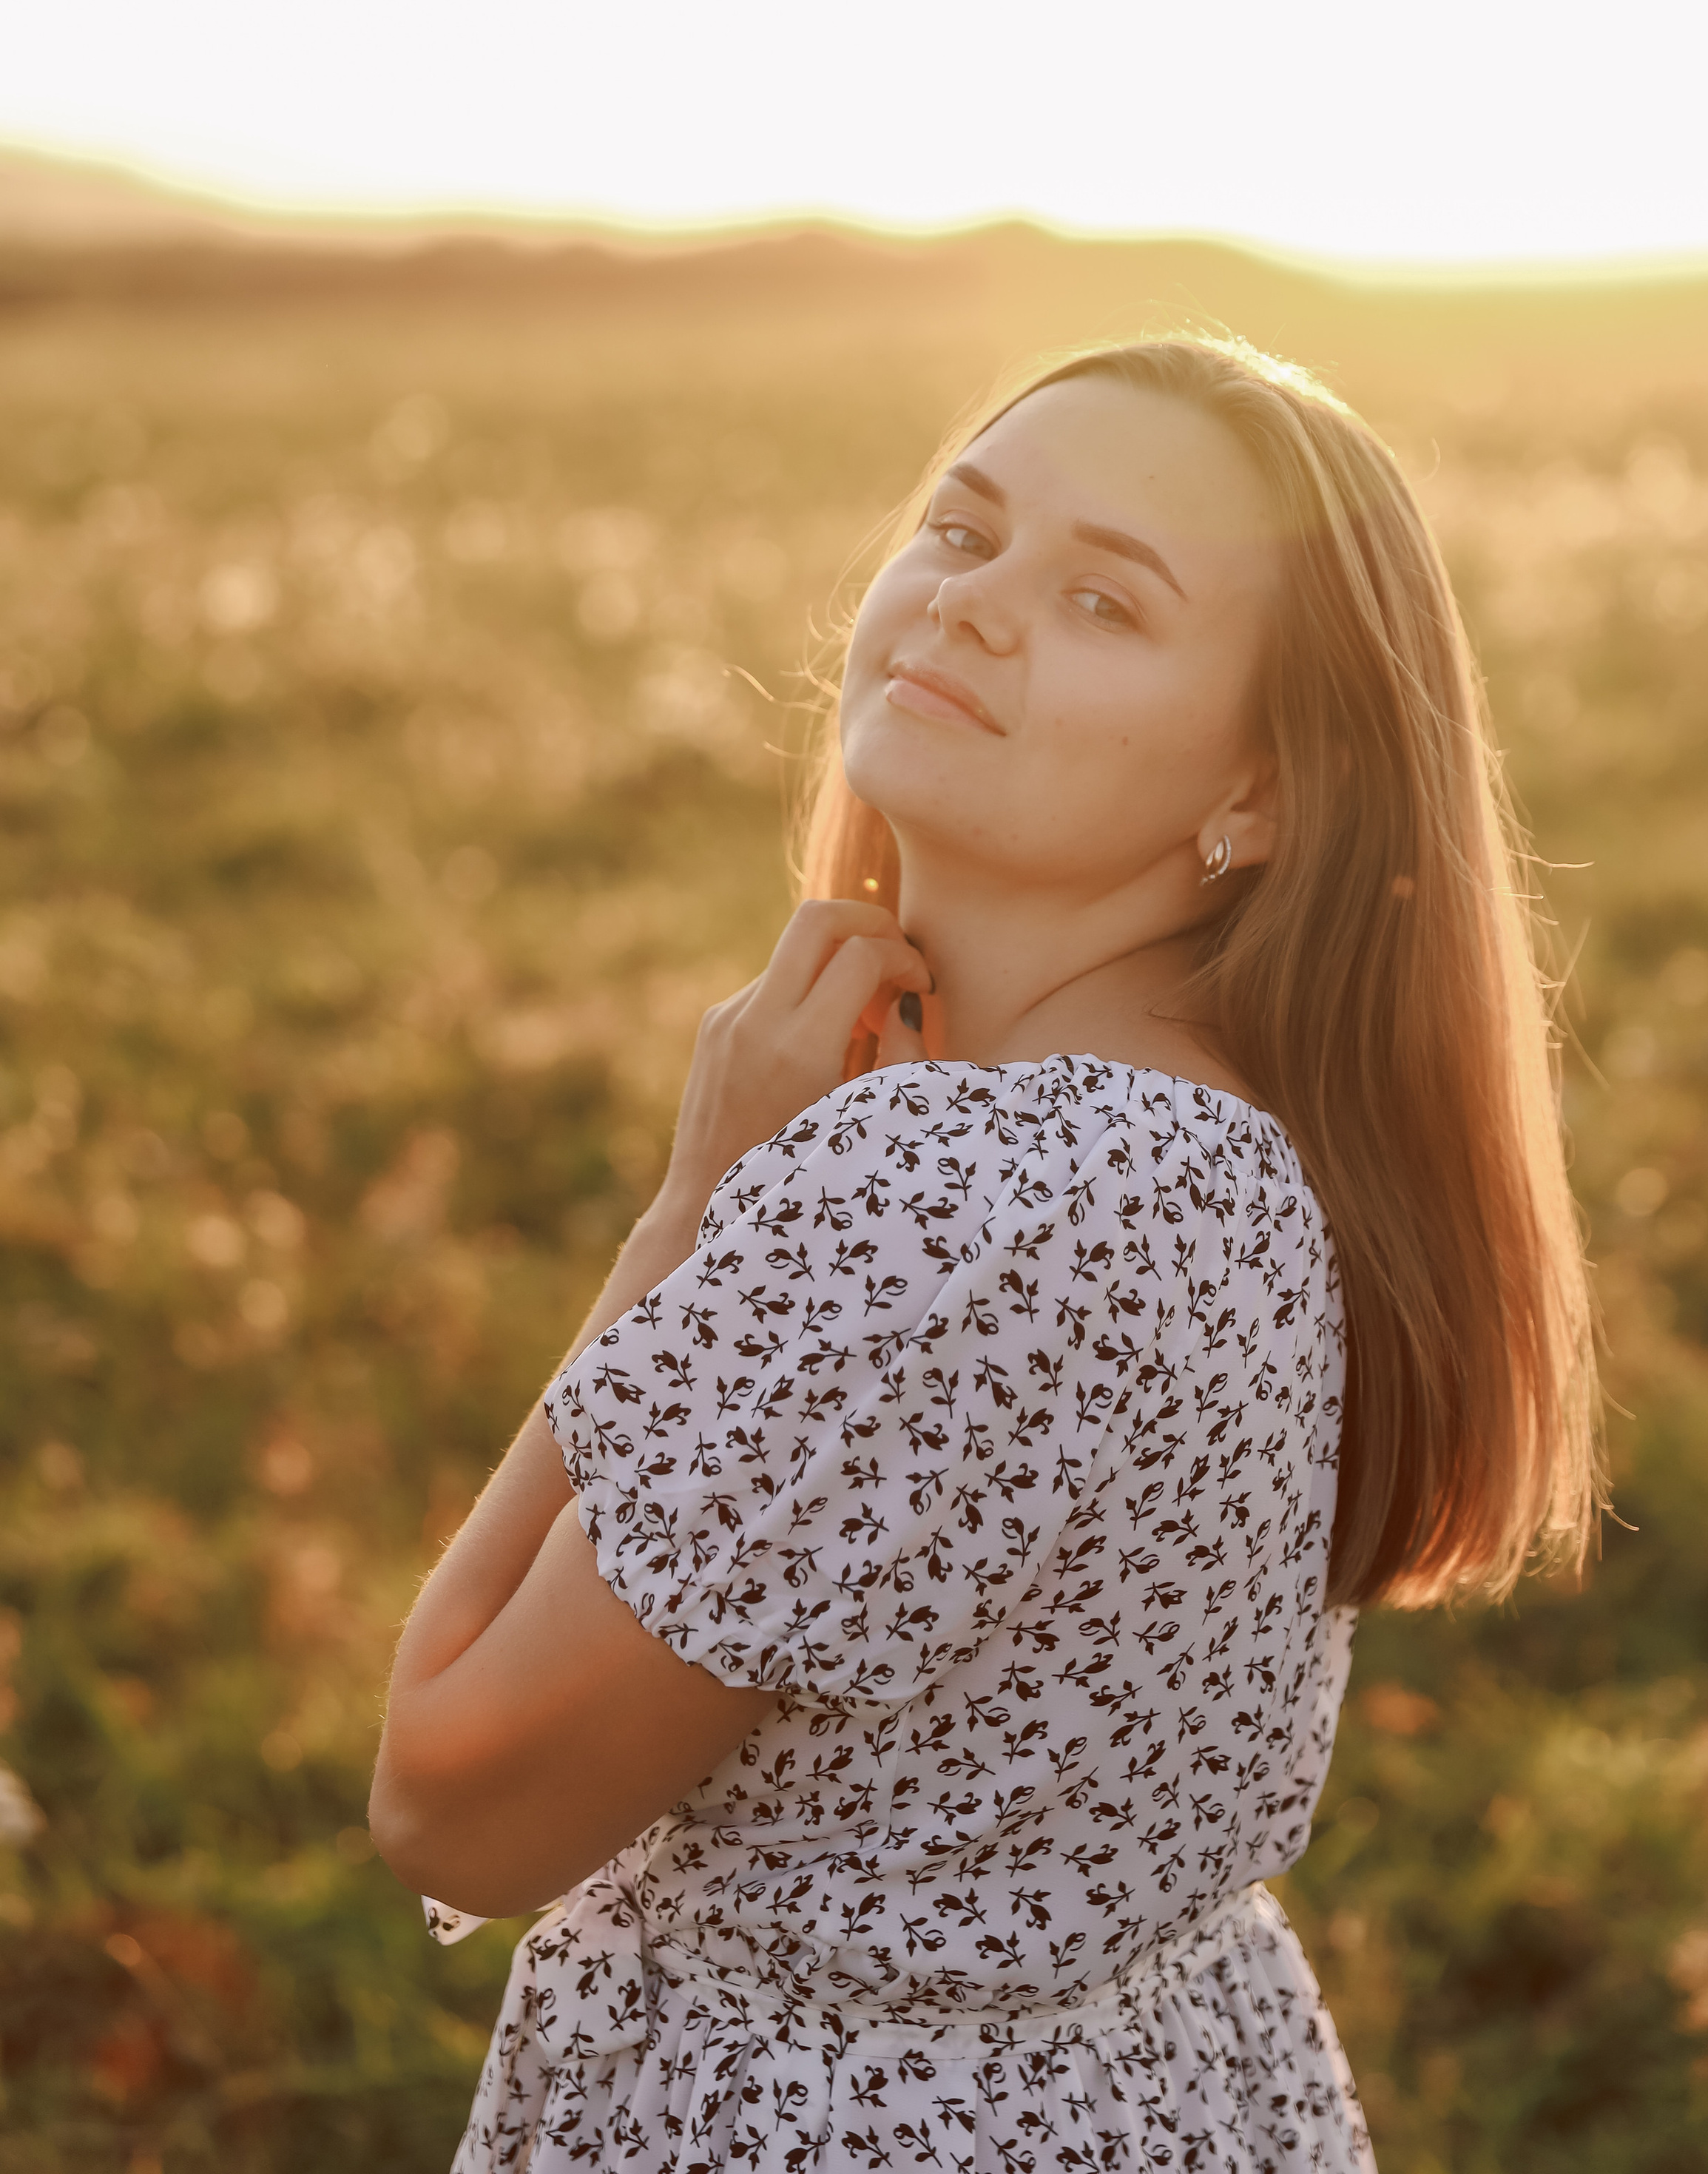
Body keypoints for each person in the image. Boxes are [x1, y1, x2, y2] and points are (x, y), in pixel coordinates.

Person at [370, 332, 1600, 2173]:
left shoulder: (953, 1202)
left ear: (1259, 795)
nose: (972, 605)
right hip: (1163, 2095)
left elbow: (451, 1797)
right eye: (961, 530)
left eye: (1104, 598)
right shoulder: (1254, 1138)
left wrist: (696, 1205)